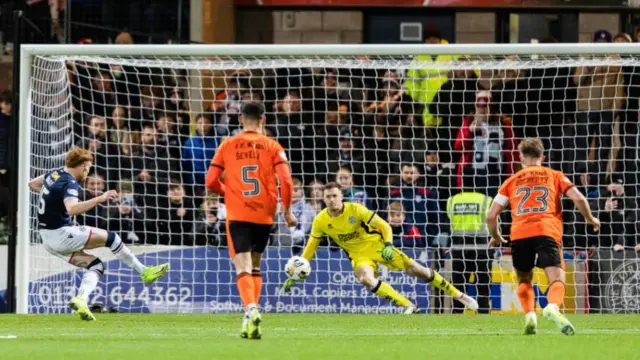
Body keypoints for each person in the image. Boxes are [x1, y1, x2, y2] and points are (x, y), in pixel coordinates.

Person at [283, 182, 478, 314]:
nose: (331, 199)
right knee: (365, 278)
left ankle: (460, 296)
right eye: (328, 197)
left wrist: (387, 244)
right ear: (323, 199)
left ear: (342, 196)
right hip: (359, 256)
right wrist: (297, 272)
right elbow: (310, 247)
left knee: (416, 270)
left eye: (335, 195)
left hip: (377, 246)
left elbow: (384, 225)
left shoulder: (356, 209)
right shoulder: (321, 220)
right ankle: (407, 305)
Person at [28, 148, 169, 321]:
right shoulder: (69, 182)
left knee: (96, 266)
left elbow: (32, 184)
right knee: (112, 238)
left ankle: (81, 300)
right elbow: (72, 209)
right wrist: (99, 199)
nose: (87, 172)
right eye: (87, 168)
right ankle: (144, 272)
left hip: (48, 239)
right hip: (62, 233)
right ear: (80, 166)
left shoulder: (54, 174)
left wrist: (53, 200)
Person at [486, 138, 600, 335]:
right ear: (543, 156)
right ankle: (552, 307)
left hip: (519, 233)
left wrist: (496, 235)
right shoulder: (554, 175)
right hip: (546, 230)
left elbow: (490, 215)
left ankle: (530, 314)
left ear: (520, 157)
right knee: (557, 278)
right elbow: (578, 198)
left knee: (524, 278)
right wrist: (590, 218)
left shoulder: (511, 181)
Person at [205, 102, 297, 340]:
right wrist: (287, 211)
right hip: (265, 214)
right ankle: (251, 314)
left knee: (242, 267)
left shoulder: (227, 144)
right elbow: (286, 182)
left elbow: (210, 181)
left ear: (240, 120)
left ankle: (250, 309)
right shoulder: (273, 145)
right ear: (263, 120)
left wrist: (228, 191)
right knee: (255, 266)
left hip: (238, 213)